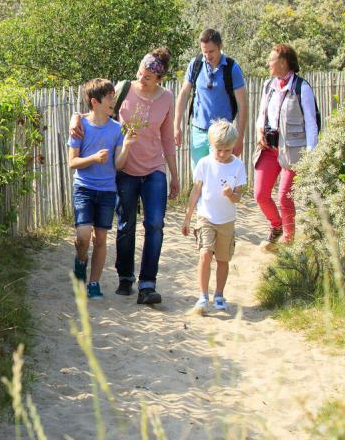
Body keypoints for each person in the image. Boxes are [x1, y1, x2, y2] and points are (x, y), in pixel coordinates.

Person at [70, 48, 179, 306]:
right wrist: (76, 116)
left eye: (148, 77)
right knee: (125, 225)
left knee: (155, 224)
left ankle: (147, 284)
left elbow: (167, 139)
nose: (142, 79)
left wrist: (174, 175)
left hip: (154, 168)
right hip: (124, 169)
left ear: (159, 79)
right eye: (140, 73)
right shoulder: (123, 88)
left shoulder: (167, 98)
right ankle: (126, 277)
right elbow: (96, 108)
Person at [68, 79, 136, 300]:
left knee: (100, 238)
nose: (113, 102)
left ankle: (94, 283)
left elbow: (118, 164)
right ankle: (80, 261)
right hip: (84, 188)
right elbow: (72, 162)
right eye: (109, 98)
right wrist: (94, 158)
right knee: (83, 235)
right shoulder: (80, 127)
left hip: (107, 190)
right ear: (95, 102)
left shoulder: (116, 129)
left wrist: (126, 145)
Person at [253, 43, 319, 245]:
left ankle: (288, 241)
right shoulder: (268, 85)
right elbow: (262, 113)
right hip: (269, 148)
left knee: (284, 198)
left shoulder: (302, 87)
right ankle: (277, 226)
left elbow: (311, 123)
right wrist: (259, 130)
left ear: (283, 62)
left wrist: (310, 156)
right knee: (261, 195)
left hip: (292, 150)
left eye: (271, 60)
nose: (267, 64)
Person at [182, 119, 247, 313]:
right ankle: (203, 296)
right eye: (218, 149)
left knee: (223, 260)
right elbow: (196, 192)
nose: (222, 154)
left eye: (227, 150)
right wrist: (187, 218)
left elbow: (238, 198)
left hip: (227, 220)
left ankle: (219, 294)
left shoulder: (238, 166)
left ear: (233, 147)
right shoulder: (204, 163)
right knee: (204, 254)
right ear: (211, 145)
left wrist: (230, 195)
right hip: (206, 217)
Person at [174, 29, 247, 169]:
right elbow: (184, 94)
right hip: (198, 132)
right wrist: (176, 126)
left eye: (211, 51)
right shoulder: (195, 64)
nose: (207, 55)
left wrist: (240, 138)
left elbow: (242, 105)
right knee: (198, 179)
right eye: (204, 51)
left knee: (219, 176)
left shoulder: (232, 68)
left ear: (220, 46)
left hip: (222, 135)